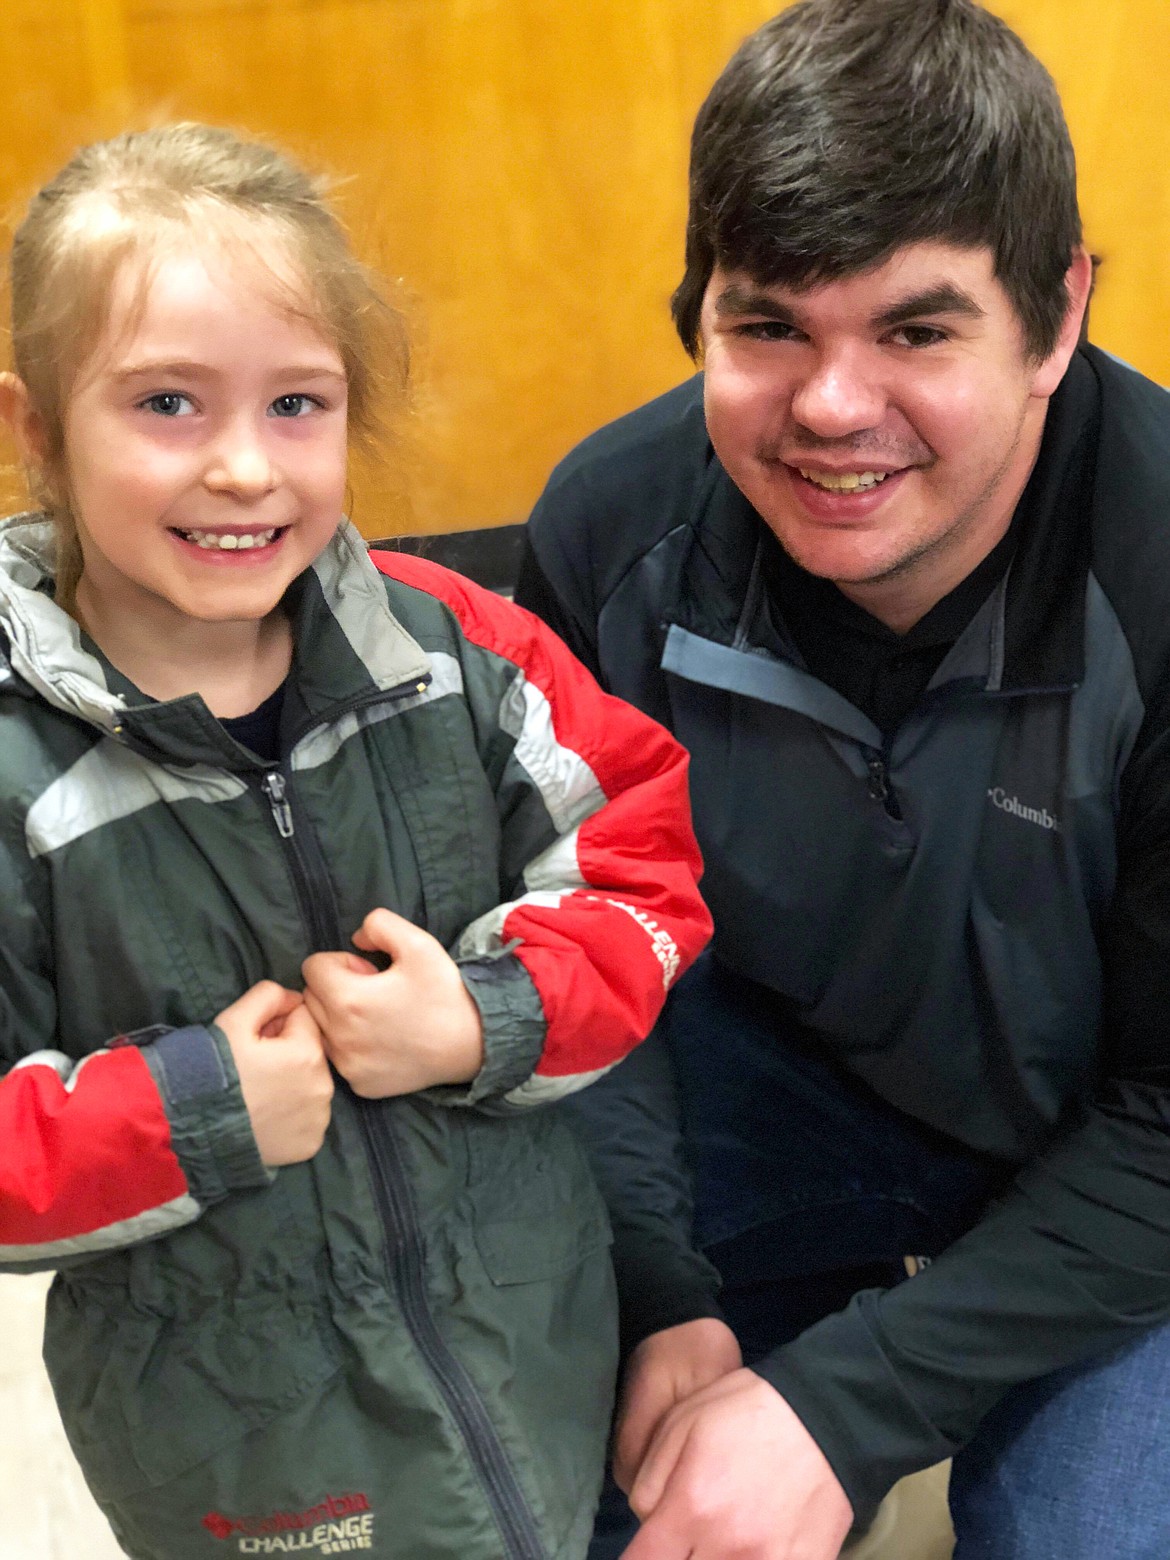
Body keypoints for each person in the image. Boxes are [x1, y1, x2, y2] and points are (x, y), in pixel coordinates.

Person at [0, 124, 712, 1560]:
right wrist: (193, 1111)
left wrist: (481, 1013)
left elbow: (640, 868)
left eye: (297, 405)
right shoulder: (23, 771)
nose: (245, 469)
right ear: (34, 429)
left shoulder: (457, 650)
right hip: (233, 1424)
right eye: (167, 405)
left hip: (531, 1322)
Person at [515, 1, 1170, 1556]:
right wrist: (658, 1281)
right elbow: (581, 960)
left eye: (916, 330)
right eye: (768, 327)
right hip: (783, 1080)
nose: (827, 406)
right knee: (538, 1480)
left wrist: (844, 1406)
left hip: (1117, 1138)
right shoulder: (606, 534)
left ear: (1056, 316)